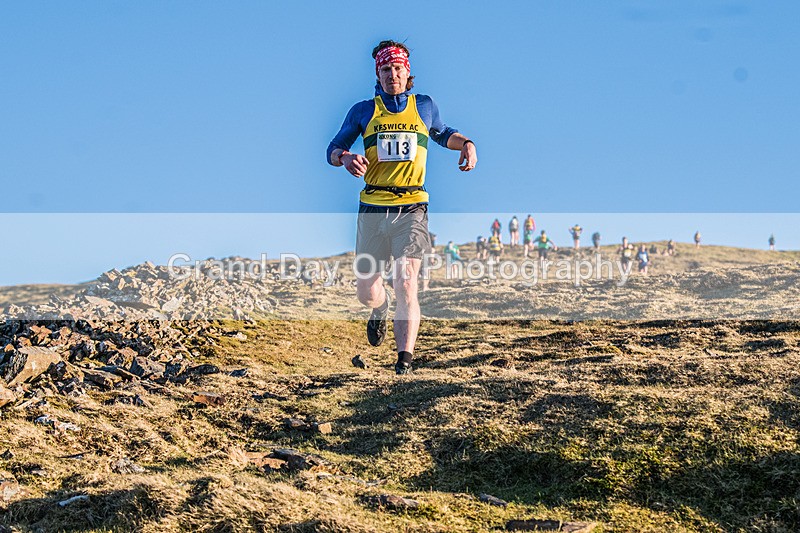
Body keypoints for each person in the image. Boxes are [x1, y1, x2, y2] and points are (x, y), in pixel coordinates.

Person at [327, 40, 477, 375]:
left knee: (406, 281)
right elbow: (333, 148)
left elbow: (443, 134)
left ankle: (403, 362)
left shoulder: (424, 106)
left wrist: (466, 145)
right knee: (367, 290)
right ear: (377, 75)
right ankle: (378, 308)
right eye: (385, 69)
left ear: (407, 72)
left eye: (397, 68)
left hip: (413, 206)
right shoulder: (363, 111)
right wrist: (346, 157)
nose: (392, 74)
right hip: (372, 207)